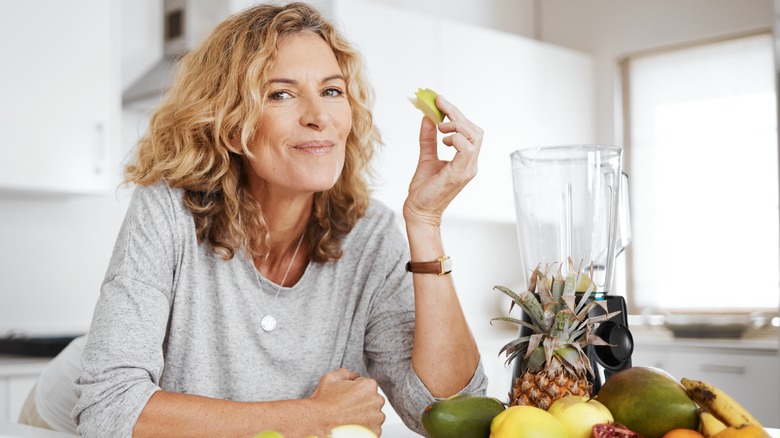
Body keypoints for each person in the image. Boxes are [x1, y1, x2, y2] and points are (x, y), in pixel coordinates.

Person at [72, 2, 486, 437]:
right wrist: (311, 417)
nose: (319, 116)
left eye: (331, 90)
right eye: (281, 94)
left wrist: (425, 222)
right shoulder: (166, 211)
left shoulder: (371, 237)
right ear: (232, 126)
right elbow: (107, 409)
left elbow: (450, 414)